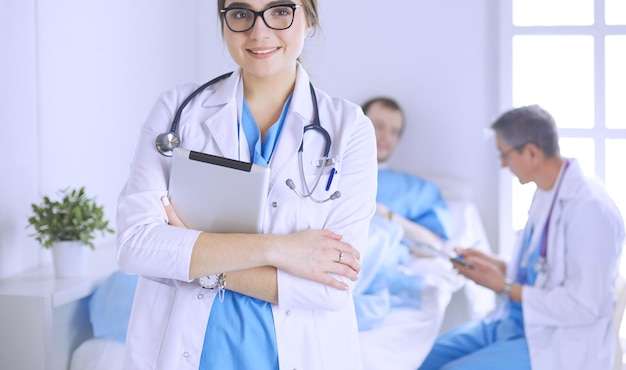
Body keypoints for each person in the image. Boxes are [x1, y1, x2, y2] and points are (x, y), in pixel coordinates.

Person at [115, 1, 378, 369]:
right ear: (223, 21)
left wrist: (192, 256)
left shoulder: (349, 128)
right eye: (240, 13)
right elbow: (136, 246)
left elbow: (330, 285)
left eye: (280, 11)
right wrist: (280, 250)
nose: (259, 31)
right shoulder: (178, 110)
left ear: (309, 19)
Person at [419, 105, 625, 370]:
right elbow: (540, 269)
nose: (503, 165)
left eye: (504, 155)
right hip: (516, 322)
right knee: (422, 358)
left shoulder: (591, 210)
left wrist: (502, 286)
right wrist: (492, 265)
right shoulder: (547, 190)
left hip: (556, 340)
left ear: (531, 153)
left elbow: (583, 307)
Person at [362, 97, 451, 250]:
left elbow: (435, 249)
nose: (385, 137)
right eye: (378, 126)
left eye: (394, 131)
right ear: (360, 125)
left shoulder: (418, 190)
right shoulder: (330, 175)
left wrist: (385, 215)